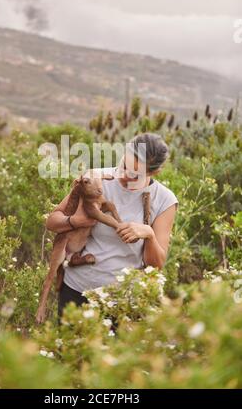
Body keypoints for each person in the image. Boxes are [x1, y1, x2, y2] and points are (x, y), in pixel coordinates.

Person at [45, 133, 179, 320]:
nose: (123, 176)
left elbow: (155, 266)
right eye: (124, 165)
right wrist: (75, 221)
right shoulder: (95, 179)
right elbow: (52, 220)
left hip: (122, 302)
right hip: (76, 292)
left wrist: (149, 235)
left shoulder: (164, 200)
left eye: (134, 174)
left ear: (153, 173)